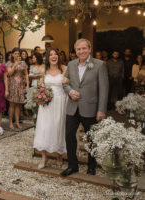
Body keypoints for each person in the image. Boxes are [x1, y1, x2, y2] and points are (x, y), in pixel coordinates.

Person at [61, 38, 108, 176]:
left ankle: (91, 166)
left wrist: (101, 109)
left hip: (91, 109)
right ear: (75, 51)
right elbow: (65, 83)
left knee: (91, 139)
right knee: (69, 136)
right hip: (72, 107)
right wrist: (70, 91)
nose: (81, 51)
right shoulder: (71, 64)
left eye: (84, 48)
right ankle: (72, 165)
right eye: (78, 49)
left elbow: (104, 89)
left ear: (89, 49)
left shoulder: (99, 65)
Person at [34, 47, 68, 169]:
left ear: (58, 56)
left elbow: (69, 84)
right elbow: (41, 85)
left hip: (60, 101)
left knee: (59, 126)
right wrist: (40, 91)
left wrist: (68, 81)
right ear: (48, 58)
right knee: (44, 127)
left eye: (55, 54)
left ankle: (59, 154)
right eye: (51, 55)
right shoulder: (45, 70)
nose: (54, 56)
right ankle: (44, 156)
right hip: (47, 103)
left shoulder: (64, 69)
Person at [6, 47, 29, 129]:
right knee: (12, 105)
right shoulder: (9, 63)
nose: (17, 55)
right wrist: (15, 64)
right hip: (12, 86)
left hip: (21, 86)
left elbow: (26, 74)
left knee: (19, 105)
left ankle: (17, 122)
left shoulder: (23, 63)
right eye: (15, 53)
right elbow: (9, 73)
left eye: (18, 54)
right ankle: (10, 123)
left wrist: (27, 85)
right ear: (12, 54)